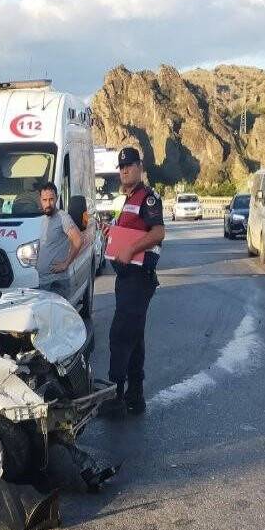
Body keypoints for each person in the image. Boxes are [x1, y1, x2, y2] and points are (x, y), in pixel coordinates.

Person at [101, 147, 165, 418]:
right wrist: (112, 233)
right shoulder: (127, 200)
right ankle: (135, 397)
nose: (124, 170)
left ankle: (116, 397)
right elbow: (129, 232)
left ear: (140, 167)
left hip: (138, 279)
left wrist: (130, 249)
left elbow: (158, 232)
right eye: (121, 166)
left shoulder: (147, 198)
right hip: (127, 279)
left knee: (119, 335)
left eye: (129, 165)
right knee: (134, 338)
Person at [34, 181, 84, 298]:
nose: (48, 204)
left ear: (57, 198)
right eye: (44, 200)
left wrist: (65, 264)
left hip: (56, 283)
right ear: (40, 200)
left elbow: (78, 240)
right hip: (44, 281)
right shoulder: (44, 219)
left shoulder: (63, 217)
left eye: (51, 199)